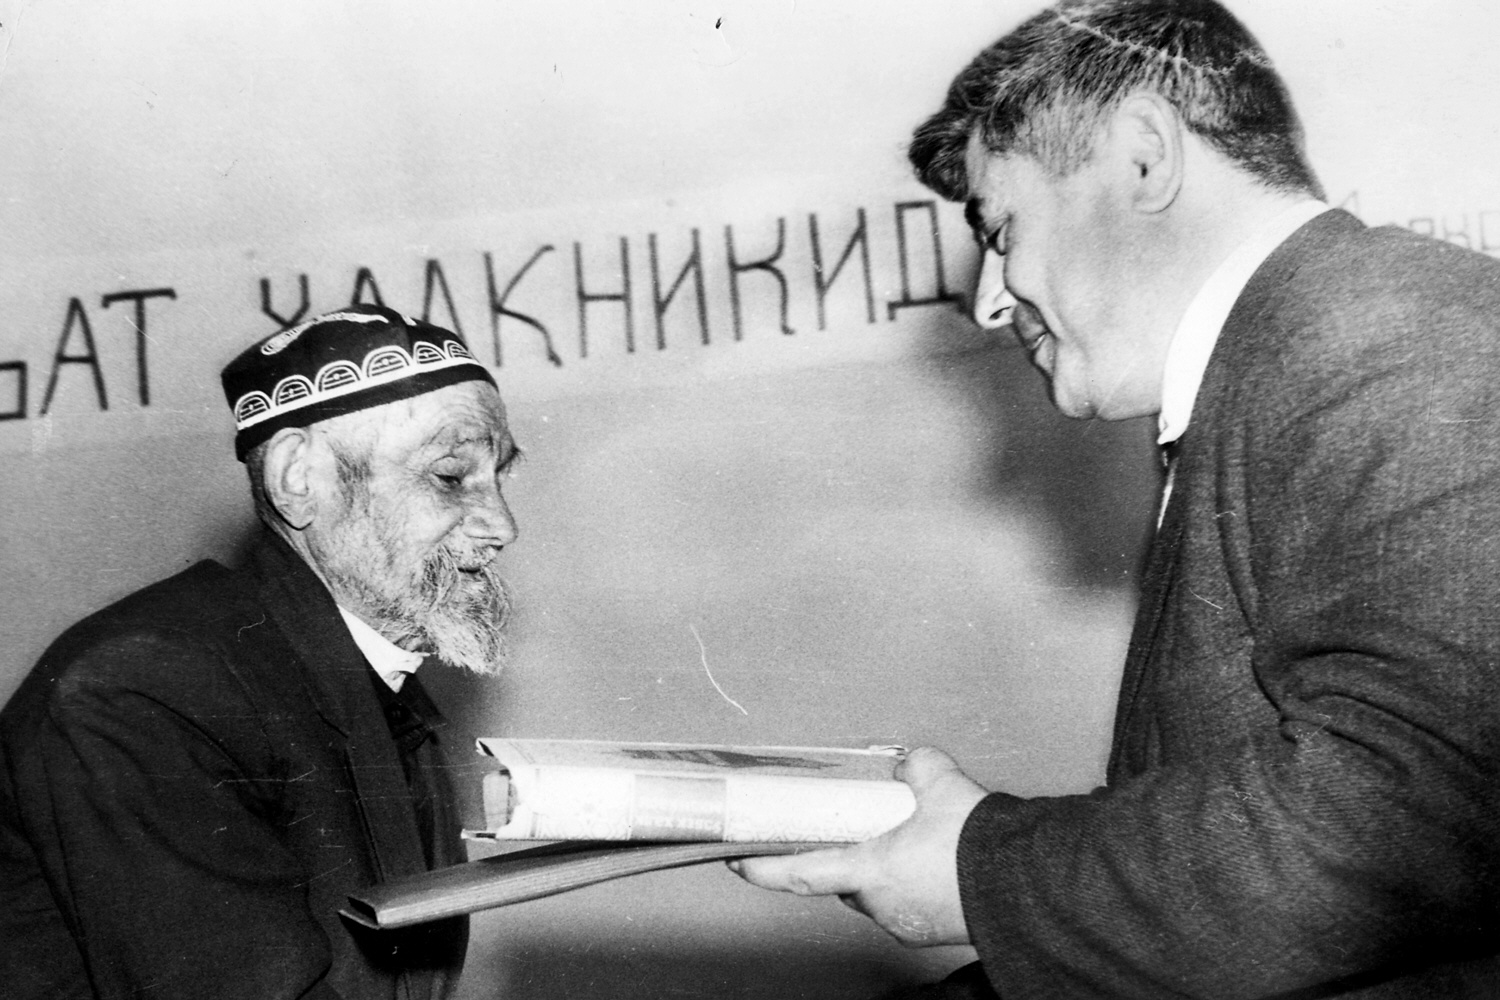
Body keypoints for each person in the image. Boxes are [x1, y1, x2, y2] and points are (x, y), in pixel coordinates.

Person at [734, 1, 1500, 996]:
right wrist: (977, 866)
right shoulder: (1297, 364)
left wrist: (981, 873)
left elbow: (1415, 813)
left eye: (1001, 230)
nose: (991, 301)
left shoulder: (1400, 338)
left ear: (1144, 156)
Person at [0, 305, 520, 999]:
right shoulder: (141, 689)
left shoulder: (378, 686)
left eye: (500, 477)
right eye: (450, 477)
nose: (501, 526)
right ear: (299, 477)